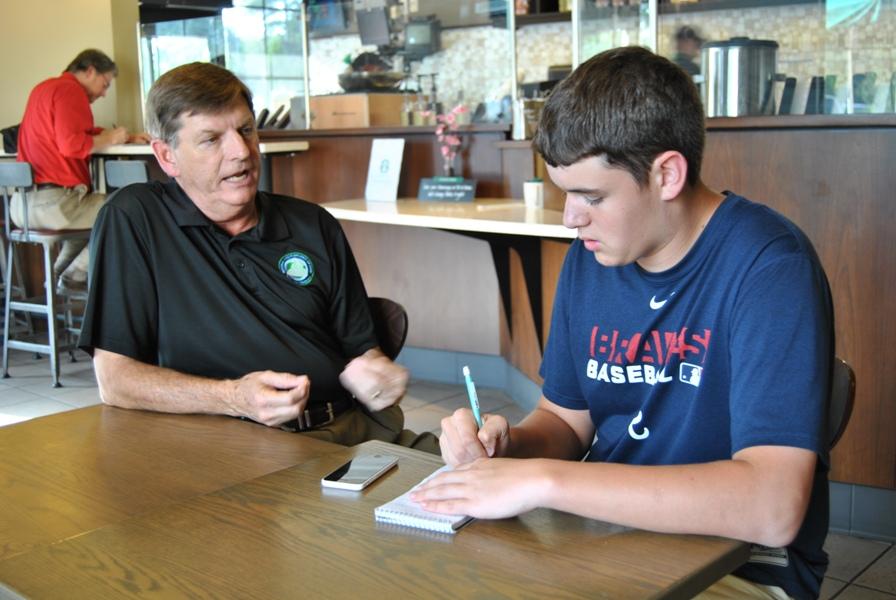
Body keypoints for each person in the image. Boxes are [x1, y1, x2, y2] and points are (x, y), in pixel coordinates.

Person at [415, 46, 833, 599]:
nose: (570, 218)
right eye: (567, 195)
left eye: (591, 196)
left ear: (667, 174)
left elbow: (771, 508)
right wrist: (507, 450)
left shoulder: (768, 266)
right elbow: (566, 423)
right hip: (602, 539)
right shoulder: (592, 258)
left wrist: (542, 481)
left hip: (739, 564)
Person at [77, 62, 437, 452]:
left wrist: (373, 367)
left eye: (246, 130)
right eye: (212, 139)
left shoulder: (312, 223)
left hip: (355, 432)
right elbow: (115, 381)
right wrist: (233, 397)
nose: (241, 151)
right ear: (167, 157)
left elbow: (361, 346)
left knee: (473, 488)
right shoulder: (136, 218)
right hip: (236, 447)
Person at [15, 48, 148, 293]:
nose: (105, 93)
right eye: (105, 84)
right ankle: (71, 278)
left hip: (23, 205)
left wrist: (120, 137)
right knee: (129, 211)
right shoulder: (70, 90)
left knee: (89, 226)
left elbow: (76, 133)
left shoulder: (43, 88)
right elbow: (71, 144)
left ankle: (55, 280)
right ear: (90, 71)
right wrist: (111, 138)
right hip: (54, 205)